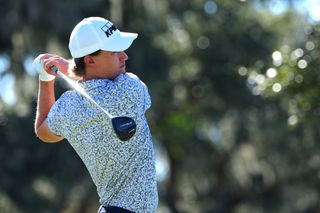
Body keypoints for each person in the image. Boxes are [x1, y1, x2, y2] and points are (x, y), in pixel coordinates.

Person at [34, 17, 158, 213]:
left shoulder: (68, 106)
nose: (124, 56)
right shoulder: (131, 89)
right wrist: (69, 68)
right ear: (90, 59)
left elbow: (42, 129)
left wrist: (45, 77)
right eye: (115, 52)